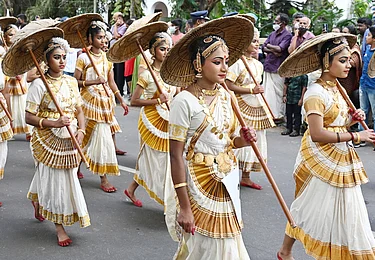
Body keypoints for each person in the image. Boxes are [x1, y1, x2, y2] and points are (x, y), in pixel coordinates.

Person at [277, 35, 375, 260]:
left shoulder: (336, 88)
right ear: (327, 62)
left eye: (349, 60)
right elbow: (317, 133)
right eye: (343, 61)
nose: (349, 65)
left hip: (341, 157)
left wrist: (353, 119)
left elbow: (336, 122)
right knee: (308, 207)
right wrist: (357, 135)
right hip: (320, 158)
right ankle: (285, 252)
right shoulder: (316, 93)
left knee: (348, 211)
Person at [162, 16, 256, 259]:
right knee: (203, 246)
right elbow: (175, 155)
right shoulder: (183, 102)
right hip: (198, 182)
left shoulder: (227, 96)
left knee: (229, 243)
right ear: (197, 63)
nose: (225, 68)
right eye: (217, 62)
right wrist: (184, 207)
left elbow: (228, 141)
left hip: (227, 178)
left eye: (226, 61)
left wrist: (242, 141)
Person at [25, 37, 90, 247]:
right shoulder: (38, 85)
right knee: (54, 179)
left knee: (67, 176)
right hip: (47, 137)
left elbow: (79, 110)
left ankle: (36, 198)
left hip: (70, 136)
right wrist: (53, 123)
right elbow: (28, 117)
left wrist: (81, 130)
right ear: (46, 60)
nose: (62, 61)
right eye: (56, 57)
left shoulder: (71, 81)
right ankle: (59, 226)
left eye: (64, 57)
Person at [74, 21, 129, 192]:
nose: (102, 41)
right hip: (88, 102)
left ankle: (103, 177)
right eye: (99, 37)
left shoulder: (107, 58)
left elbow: (111, 81)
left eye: (104, 37)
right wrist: (93, 81)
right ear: (90, 39)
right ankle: (75, 168)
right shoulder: (83, 58)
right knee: (86, 137)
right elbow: (75, 81)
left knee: (103, 141)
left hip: (105, 103)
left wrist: (121, 99)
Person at [125, 32, 177, 208]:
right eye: (162, 49)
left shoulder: (172, 74)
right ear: (153, 52)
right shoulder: (146, 75)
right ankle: (168, 201)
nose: (166, 52)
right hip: (151, 121)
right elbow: (134, 100)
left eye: (168, 49)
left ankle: (132, 189)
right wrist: (157, 100)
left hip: (169, 119)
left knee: (162, 160)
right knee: (156, 160)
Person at [226, 27, 275, 190]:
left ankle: (246, 176)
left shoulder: (258, 65)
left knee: (257, 136)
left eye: (257, 41)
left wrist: (256, 90)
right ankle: (230, 174)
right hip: (240, 104)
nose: (257, 44)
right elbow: (228, 84)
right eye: (253, 41)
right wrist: (250, 90)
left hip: (255, 105)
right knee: (240, 135)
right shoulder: (236, 63)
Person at [358, 27, 375, 149]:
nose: (366, 38)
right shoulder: (367, 49)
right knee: (361, 112)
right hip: (364, 84)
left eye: (368, 35)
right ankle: (361, 137)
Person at [262, 13, 292, 123]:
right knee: (267, 92)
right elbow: (264, 47)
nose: (274, 23)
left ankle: (278, 115)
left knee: (278, 93)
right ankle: (269, 113)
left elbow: (280, 49)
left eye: (277, 21)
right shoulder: (272, 34)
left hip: (278, 68)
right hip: (269, 65)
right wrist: (272, 49)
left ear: (283, 23)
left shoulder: (287, 35)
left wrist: (272, 48)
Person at [3, 24, 31, 140]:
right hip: (8, 84)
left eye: (15, 35)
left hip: (21, 83)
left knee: (24, 107)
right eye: (10, 35)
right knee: (11, 108)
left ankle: (29, 130)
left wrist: (21, 73)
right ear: (4, 37)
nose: (13, 37)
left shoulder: (19, 50)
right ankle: (10, 129)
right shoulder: (3, 51)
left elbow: (25, 65)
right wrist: (13, 75)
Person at [339, 25, 362, 125]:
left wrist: (343, 59)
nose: (343, 35)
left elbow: (353, 63)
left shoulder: (355, 49)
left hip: (349, 82)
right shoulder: (343, 47)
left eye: (345, 33)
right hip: (341, 79)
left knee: (347, 102)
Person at [0, 59, 12, 207]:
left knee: (1, 153)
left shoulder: (2, 67)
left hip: (1, 114)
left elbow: (6, 92)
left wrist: (10, 114)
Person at [110, 12, 127, 97]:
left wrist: (116, 27)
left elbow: (116, 36)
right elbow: (110, 36)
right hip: (112, 52)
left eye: (115, 18)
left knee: (119, 73)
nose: (115, 20)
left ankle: (119, 92)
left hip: (120, 53)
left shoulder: (124, 27)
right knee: (113, 72)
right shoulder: (113, 26)